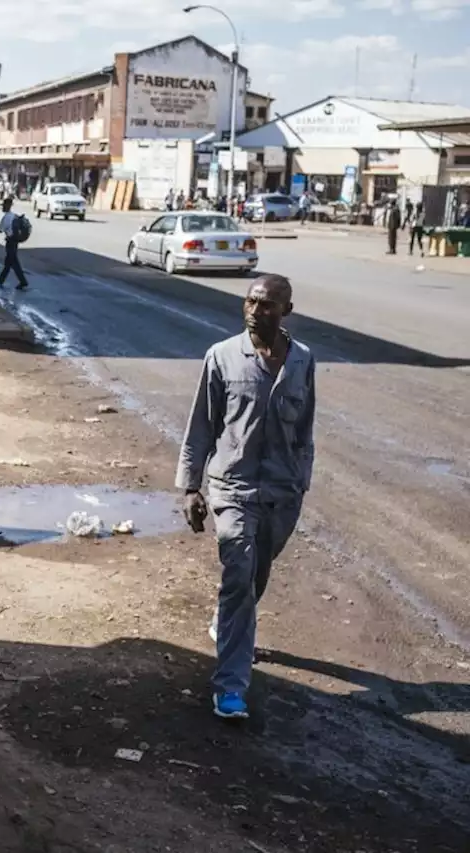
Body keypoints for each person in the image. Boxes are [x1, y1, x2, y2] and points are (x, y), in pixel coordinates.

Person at [176, 274, 316, 721]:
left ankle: (228, 624)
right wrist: (190, 486)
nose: (256, 310)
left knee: (255, 574)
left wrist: (302, 481)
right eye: (251, 301)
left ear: (286, 312)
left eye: (268, 304)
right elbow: (201, 426)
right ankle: (231, 686)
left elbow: (306, 430)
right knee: (238, 568)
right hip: (233, 487)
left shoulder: (303, 361)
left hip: (282, 492)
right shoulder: (221, 357)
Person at [0, 197, 28, 290]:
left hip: (10, 241)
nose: (2, 208)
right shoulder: (14, 216)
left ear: (8, 206)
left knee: (13, 263)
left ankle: (23, 282)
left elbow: (0, 230)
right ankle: (1, 279)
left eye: (3, 206)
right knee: (9, 262)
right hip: (15, 241)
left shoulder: (6, 217)